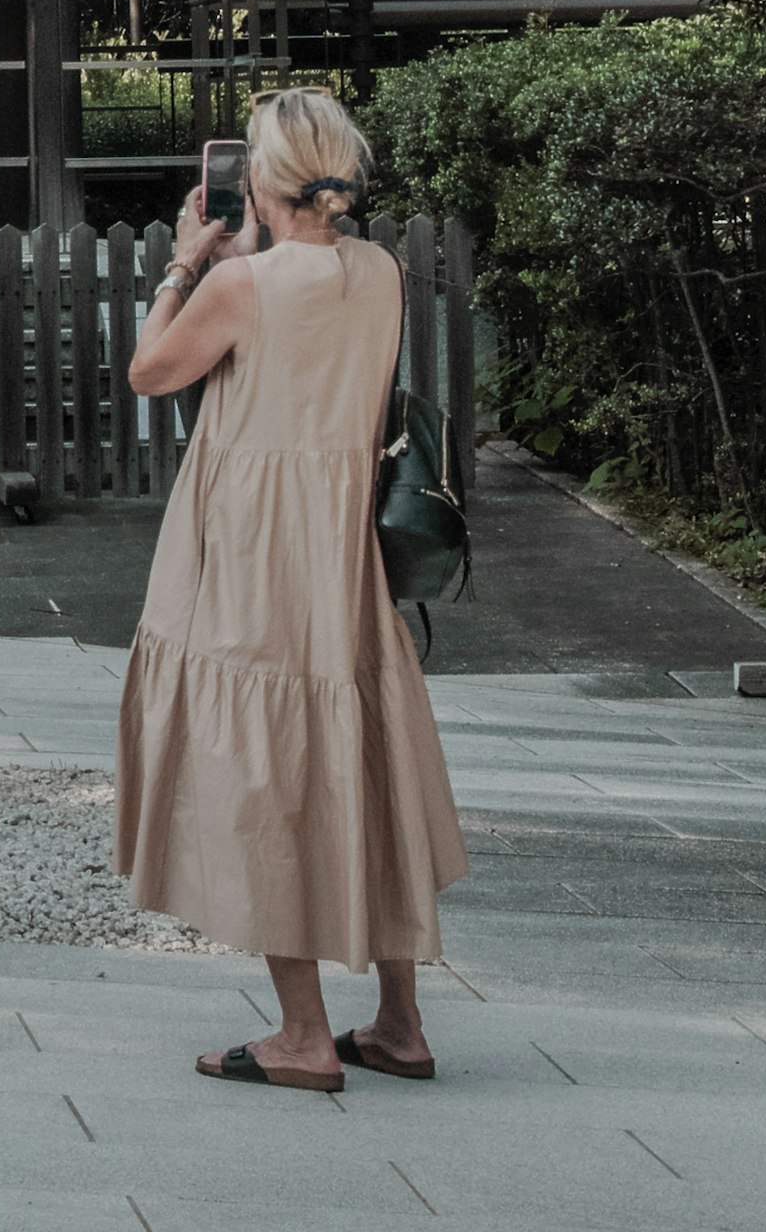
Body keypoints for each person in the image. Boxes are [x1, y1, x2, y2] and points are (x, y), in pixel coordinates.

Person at [117, 86, 468, 1093]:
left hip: (254, 546)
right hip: (341, 544)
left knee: (264, 768)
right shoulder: (381, 271)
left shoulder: (241, 288)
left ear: (260, 181)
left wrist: (185, 264)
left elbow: (153, 371)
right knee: (357, 756)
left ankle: (302, 1035)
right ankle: (399, 1021)